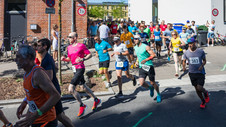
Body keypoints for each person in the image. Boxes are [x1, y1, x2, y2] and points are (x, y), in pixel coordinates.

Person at [15, 45, 61, 127]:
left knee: (62, 117)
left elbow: (56, 96)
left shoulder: (37, 74)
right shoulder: (26, 73)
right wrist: (24, 102)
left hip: (46, 122)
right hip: (35, 120)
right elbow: (34, 94)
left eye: (18, 57)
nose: (16, 60)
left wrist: (36, 114)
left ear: (28, 57)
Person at [33, 38, 73, 127]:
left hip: (53, 91)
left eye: (39, 46)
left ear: (45, 46)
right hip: (54, 89)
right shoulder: (48, 57)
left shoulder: (46, 59)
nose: (37, 48)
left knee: (60, 116)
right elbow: (56, 68)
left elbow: (49, 77)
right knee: (59, 116)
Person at [62, 32, 101, 117]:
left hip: (80, 68)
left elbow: (90, 54)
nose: (68, 39)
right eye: (68, 37)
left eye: (70, 37)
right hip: (74, 69)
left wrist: (82, 59)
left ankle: (82, 105)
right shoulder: (68, 47)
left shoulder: (81, 46)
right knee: (83, 87)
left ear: (75, 38)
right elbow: (70, 58)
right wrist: (64, 59)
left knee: (71, 89)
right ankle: (96, 99)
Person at [183, 37, 209, 108]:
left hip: (200, 73)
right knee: (197, 89)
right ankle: (203, 101)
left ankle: (205, 92)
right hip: (192, 73)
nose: (190, 45)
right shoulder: (186, 52)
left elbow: (204, 61)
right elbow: (184, 60)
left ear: (194, 43)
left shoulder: (200, 51)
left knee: (200, 88)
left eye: (191, 43)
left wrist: (202, 65)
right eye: (188, 44)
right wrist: (184, 67)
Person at [134, 35, 161, 103]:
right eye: (134, 39)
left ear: (139, 39)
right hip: (141, 67)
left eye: (136, 39)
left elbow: (153, 55)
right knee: (141, 83)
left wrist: (146, 59)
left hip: (149, 66)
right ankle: (150, 88)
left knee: (152, 82)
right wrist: (137, 62)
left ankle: (158, 93)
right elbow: (138, 55)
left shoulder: (146, 46)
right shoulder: (135, 47)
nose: (135, 40)